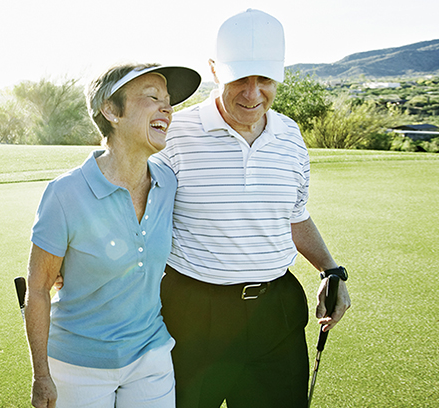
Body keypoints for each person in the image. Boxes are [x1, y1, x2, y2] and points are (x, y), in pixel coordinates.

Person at [154, 9, 352, 408]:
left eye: (264, 79)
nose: (252, 93)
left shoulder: (291, 136)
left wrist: (331, 270)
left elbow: (295, 213)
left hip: (275, 314)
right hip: (193, 315)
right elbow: (135, 213)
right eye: (239, 78)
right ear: (213, 70)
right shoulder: (174, 133)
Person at [24, 63, 201, 408]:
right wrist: (41, 375)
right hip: (78, 364)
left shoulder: (168, 183)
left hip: (151, 356)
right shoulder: (65, 193)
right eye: (152, 97)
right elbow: (39, 288)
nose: (167, 108)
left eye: (168, 101)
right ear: (110, 110)